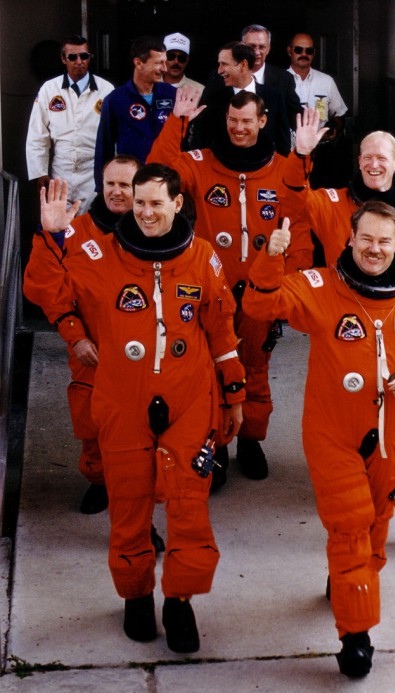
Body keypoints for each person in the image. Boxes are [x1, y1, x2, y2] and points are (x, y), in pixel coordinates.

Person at [243, 201, 395, 678]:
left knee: (375, 527)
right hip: (333, 434)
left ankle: (346, 583)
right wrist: (270, 256)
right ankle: (355, 636)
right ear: (350, 238)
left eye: (385, 241)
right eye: (366, 239)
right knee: (351, 525)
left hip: (394, 438)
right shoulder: (321, 286)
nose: (375, 249)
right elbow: (259, 304)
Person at [41, 163, 245, 651]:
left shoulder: (201, 259)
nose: (146, 212)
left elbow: (222, 332)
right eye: (139, 203)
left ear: (178, 204)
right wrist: (49, 238)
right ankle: (136, 597)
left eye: (156, 203)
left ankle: (180, 602)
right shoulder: (98, 255)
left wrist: (234, 394)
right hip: (122, 400)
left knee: (188, 506)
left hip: (190, 399)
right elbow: (47, 288)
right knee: (129, 503)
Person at [281, 110, 395, 539]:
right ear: (358, 161)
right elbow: (291, 203)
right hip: (343, 321)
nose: (374, 164)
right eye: (367, 156)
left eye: (382, 157)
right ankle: (353, 490)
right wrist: (300, 155)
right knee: (346, 411)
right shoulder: (331, 204)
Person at [148, 87, 312, 483]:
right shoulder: (200, 163)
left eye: (246, 121)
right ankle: (216, 445)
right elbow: (156, 175)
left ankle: (251, 441)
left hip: (260, 290)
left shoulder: (281, 168)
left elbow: (300, 224)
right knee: (210, 371)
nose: (239, 129)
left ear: (262, 121)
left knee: (255, 368)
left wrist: (288, 290)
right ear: (225, 121)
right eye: (232, 121)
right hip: (210, 289)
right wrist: (176, 123)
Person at [23, 155, 141, 516]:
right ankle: (100, 482)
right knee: (93, 426)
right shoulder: (73, 232)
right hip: (93, 352)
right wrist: (75, 336)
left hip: (144, 354)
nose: (117, 192)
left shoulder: (158, 232)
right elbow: (43, 288)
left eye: (126, 185)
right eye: (111, 184)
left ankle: (140, 489)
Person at [26, 34, 113, 215]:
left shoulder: (106, 90)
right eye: (72, 57)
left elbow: (115, 136)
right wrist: (39, 173)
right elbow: (37, 135)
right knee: (58, 227)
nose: (79, 61)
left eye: (84, 56)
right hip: (61, 170)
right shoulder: (49, 89)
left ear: (90, 57)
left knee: (91, 227)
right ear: (63, 59)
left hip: (93, 171)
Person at [94, 35, 176, 192]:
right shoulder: (115, 100)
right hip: (131, 183)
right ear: (139, 63)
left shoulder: (173, 95)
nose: (165, 69)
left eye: (165, 62)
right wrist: (101, 188)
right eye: (159, 63)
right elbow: (104, 149)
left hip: (166, 181)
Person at [192, 41, 291, 156]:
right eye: (219, 64)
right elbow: (202, 140)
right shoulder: (214, 98)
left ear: (243, 65)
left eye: (224, 64)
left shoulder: (274, 96)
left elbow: (283, 143)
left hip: (264, 170)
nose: (219, 71)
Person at [287, 32, 349, 188]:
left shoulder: (326, 81)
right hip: (288, 153)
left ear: (314, 54)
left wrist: (335, 129)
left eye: (308, 51)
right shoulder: (279, 80)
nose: (303, 54)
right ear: (289, 51)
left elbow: (339, 115)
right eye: (298, 50)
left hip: (321, 154)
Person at [241, 24, 301, 131]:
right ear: (241, 47)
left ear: (268, 49)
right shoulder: (224, 76)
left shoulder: (284, 79)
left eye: (262, 47)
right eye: (252, 47)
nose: (257, 52)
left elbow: (295, 117)